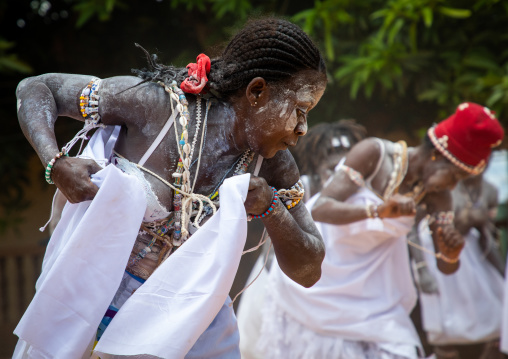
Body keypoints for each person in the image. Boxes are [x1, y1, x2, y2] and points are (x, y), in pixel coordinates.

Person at [13, 18, 327, 359]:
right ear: (256, 92)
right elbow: (36, 89)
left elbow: (310, 269)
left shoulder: (274, 164)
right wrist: (55, 165)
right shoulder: (156, 106)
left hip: (185, 326)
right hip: (89, 308)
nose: (303, 129)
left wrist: (271, 206)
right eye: (300, 110)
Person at [258, 102, 505, 359]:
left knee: (400, 348)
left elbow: (446, 268)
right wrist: (378, 211)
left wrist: (451, 253)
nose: (453, 186)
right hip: (323, 273)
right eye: (454, 176)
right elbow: (320, 208)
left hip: (377, 289)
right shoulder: (374, 154)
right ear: (438, 156)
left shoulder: (439, 197)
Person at [237, 119, 367, 359]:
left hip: (340, 301)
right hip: (285, 288)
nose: (340, 176)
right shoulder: (299, 191)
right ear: (317, 166)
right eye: (332, 169)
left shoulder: (363, 198)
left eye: (347, 169)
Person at [415, 172, 506, 359]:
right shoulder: (438, 187)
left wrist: (501, 273)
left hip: (473, 259)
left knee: (490, 316)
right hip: (437, 256)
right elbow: (413, 228)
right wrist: (422, 268)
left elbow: (486, 237)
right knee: (447, 327)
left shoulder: (490, 189)